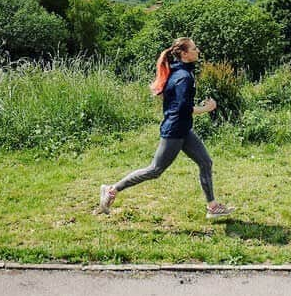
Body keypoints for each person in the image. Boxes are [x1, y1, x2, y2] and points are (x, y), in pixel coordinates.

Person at [99, 37, 235, 219]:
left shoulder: (180, 71)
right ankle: (112, 189)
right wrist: (208, 108)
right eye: (194, 48)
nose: (198, 51)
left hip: (183, 128)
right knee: (155, 170)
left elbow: (168, 96)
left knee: (205, 162)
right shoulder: (183, 77)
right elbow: (183, 108)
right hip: (175, 131)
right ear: (185, 54)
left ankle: (212, 206)